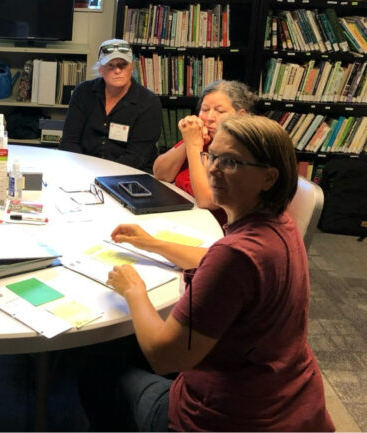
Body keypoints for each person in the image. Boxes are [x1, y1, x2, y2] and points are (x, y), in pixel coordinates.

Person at [79, 115, 333, 431]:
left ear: (268, 177)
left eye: (232, 163)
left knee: (92, 369)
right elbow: (215, 259)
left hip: (224, 418)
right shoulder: (279, 225)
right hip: (286, 399)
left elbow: (164, 357)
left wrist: (134, 290)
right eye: (212, 156)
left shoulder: (235, 255)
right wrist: (152, 243)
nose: (212, 168)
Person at [153, 80, 257, 218]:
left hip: (217, 227)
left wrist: (194, 146)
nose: (209, 118)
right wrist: (188, 141)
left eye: (220, 111)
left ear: (241, 115)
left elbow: (207, 200)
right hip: (183, 214)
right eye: (205, 109)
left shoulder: (240, 149)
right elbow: (161, 173)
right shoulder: (202, 137)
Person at [59, 39, 162, 172]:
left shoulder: (149, 102)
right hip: (83, 170)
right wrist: (83, 171)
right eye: (110, 65)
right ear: (100, 69)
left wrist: (103, 175)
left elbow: (137, 157)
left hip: (129, 174)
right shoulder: (83, 93)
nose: (117, 70)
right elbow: (69, 142)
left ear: (132, 67)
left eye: (122, 65)